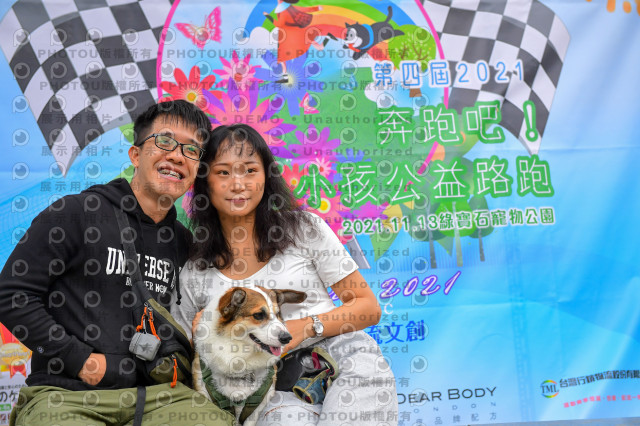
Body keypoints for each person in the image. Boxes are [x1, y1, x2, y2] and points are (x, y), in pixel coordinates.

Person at [0, 100, 234, 426]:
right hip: (67, 394)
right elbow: (11, 295)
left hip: (160, 397)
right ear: (136, 155)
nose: (178, 156)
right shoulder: (76, 213)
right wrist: (79, 359)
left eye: (191, 150)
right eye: (165, 142)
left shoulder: (186, 244)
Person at [172, 123, 398, 426]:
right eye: (223, 172)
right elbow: (188, 358)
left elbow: (367, 307)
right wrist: (201, 334)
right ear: (204, 183)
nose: (238, 184)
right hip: (271, 386)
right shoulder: (195, 271)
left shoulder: (304, 229)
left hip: (343, 357)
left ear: (266, 176)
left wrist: (304, 328)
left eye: (250, 170)